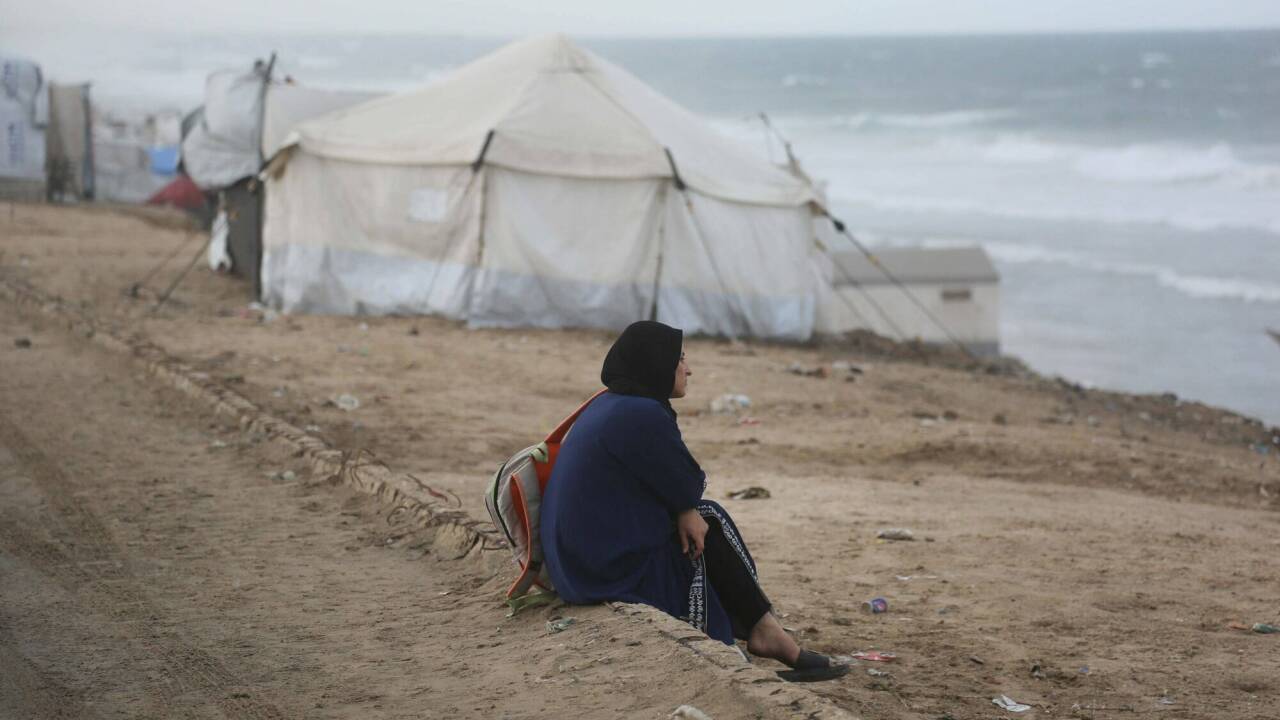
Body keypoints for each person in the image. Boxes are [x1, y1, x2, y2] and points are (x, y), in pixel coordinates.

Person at [540, 320, 849, 682]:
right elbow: (686, 481)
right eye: (679, 359)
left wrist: (685, 506)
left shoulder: (613, 404)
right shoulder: (641, 415)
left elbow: (671, 484)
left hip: (575, 564)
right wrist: (686, 506)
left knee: (701, 516)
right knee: (705, 530)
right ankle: (755, 642)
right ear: (655, 364)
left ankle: (768, 634)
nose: (688, 369)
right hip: (601, 572)